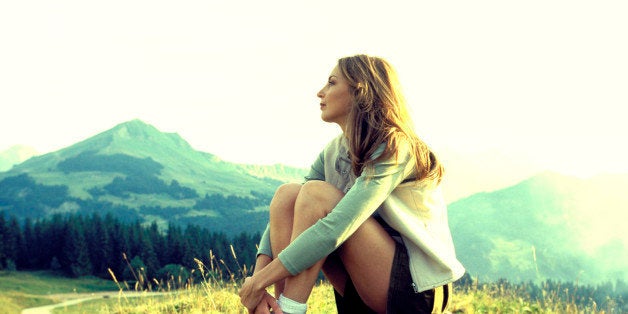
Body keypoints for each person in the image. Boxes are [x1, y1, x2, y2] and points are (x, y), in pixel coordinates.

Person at [239, 54, 465, 313]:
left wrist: (259, 281)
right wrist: (258, 285)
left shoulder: (395, 146)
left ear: (360, 92)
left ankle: (290, 309)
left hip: (416, 291)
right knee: (288, 195)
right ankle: (279, 308)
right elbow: (283, 215)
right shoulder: (334, 150)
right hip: (363, 282)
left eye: (332, 83)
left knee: (316, 195)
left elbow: (336, 228)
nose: (320, 92)